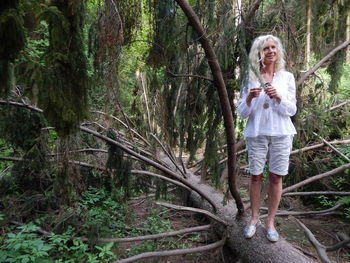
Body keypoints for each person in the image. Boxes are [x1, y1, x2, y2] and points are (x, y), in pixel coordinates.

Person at [237, 35, 297, 242]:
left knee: (276, 177)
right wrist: (249, 98)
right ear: (259, 53)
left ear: (277, 51)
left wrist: (278, 97)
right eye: (266, 48)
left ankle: (270, 221)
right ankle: (254, 218)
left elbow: (292, 109)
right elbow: (242, 113)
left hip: (281, 133)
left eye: (273, 47)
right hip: (257, 133)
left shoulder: (287, 77)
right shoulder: (250, 77)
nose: (270, 51)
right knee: (255, 176)